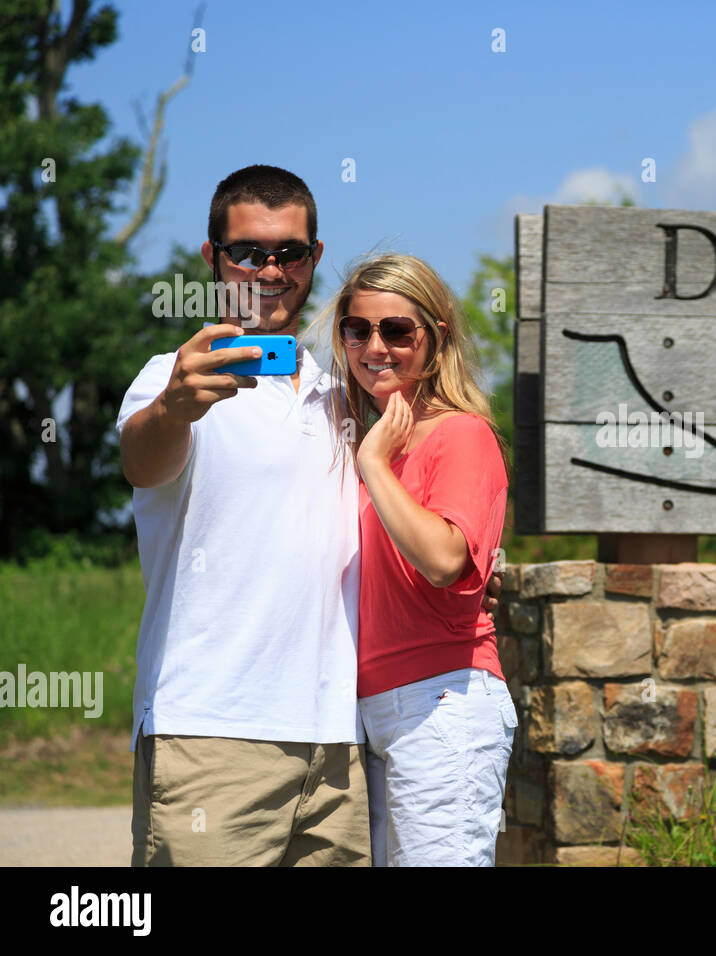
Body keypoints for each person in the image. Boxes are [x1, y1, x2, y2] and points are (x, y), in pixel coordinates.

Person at [117, 166, 501, 866]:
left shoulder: (350, 402)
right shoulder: (171, 379)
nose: (269, 269)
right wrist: (176, 404)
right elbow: (141, 460)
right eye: (247, 252)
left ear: (314, 258)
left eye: (289, 252)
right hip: (212, 734)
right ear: (212, 256)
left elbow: (420, 530)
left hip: (341, 747)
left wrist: (475, 584)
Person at [315, 253, 514, 866]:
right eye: (357, 329)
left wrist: (375, 464)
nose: (376, 346)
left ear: (436, 337)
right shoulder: (366, 438)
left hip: (441, 705)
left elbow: (442, 559)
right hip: (366, 711)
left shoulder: (460, 434)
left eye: (397, 330)